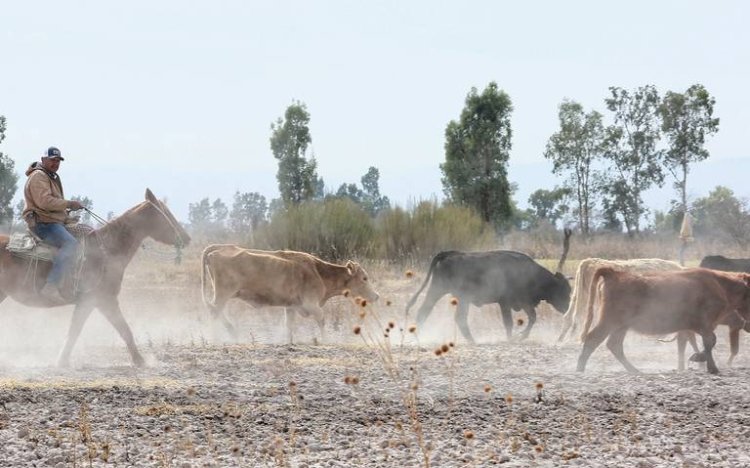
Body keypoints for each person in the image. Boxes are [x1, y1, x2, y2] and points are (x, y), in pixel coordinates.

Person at [22, 147, 85, 303]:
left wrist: (67, 214)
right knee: (70, 243)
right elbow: (45, 202)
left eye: (57, 161)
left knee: (86, 235)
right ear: (43, 160)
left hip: (51, 220)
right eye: (52, 160)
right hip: (43, 223)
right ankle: (51, 286)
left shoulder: (50, 176)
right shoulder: (39, 176)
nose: (55, 163)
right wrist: (69, 203)